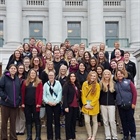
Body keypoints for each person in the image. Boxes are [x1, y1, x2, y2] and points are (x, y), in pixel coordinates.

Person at [0, 64, 21, 140]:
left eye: (14, 68)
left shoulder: (17, 79)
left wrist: (19, 99)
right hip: (5, 104)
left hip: (14, 105)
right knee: (4, 123)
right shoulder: (4, 78)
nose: (13, 70)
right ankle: (4, 137)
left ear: (16, 70)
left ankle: (13, 137)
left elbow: (19, 92)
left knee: (13, 123)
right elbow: (0, 89)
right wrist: (5, 98)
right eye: (11, 68)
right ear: (9, 69)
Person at [114, 70, 137, 140]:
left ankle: (133, 135)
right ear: (116, 75)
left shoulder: (129, 82)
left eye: (121, 74)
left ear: (124, 74)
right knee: (123, 121)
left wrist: (133, 103)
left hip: (129, 104)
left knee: (130, 121)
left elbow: (134, 93)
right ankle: (126, 135)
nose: (120, 75)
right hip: (120, 105)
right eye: (118, 74)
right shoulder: (115, 84)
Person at [21, 69, 43, 140]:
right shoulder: (25, 82)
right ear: (29, 74)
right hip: (27, 104)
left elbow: (40, 93)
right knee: (28, 119)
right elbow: (22, 93)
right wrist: (22, 103)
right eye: (31, 73)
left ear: (36, 74)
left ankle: (38, 136)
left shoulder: (39, 82)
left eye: (34, 73)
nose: (33, 74)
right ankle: (29, 136)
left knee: (37, 119)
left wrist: (39, 103)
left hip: (35, 104)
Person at [43, 71, 62, 140]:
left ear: (54, 76)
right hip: (48, 105)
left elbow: (60, 93)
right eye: (49, 75)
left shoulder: (58, 83)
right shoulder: (45, 84)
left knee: (57, 121)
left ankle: (57, 136)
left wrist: (56, 102)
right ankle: (50, 137)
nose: (51, 77)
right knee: (49, 121)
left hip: (56, 104)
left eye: (52, 75)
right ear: (48, 76)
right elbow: (44, 95)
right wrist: (48, 102)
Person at [81, 71, 100, 140]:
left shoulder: (97, 85)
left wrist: (91, 104)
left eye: (94, 76)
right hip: (86, 105)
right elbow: (83, 95)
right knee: (87, 121)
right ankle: (89, 135)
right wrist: (85, 104)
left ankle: (93, 136)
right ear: (89, 76)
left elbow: (97, 96)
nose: (93, 77)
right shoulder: (84, 84)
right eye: (91, 76)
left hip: (94, 105)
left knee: (95, 121)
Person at [100, 70, 118, 140]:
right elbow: (100, 95)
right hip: (103, 104)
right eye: (105, 74)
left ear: (110, 75)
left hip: (111, 104)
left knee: (112, 120)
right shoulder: (101, 83)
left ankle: (114, 136)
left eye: (108, 74)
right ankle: (108, 136)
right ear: (103, 75)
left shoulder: (113, 83)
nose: (107, 76)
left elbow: (115, 94)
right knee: (105, 121)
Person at [63, 72, 81, 140]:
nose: (73, 78)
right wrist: (66, 106)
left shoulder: (77, 85)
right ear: (69, 77)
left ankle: (73, 136)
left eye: (74, 76)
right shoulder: (67, 85)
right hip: (69, 106)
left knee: (73, 122)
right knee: (68, 122)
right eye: (71, 76)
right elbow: (65, 97)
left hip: (76, 106)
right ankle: (68, 137)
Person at [16, 64, 26, 135]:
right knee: (16, 116)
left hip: (23, 98)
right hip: (15, 98)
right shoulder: (14, 77)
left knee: (22, 116)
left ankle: (21, 130)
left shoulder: (25, 78)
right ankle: (17, 129)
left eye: (22, 68)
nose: (21, 69)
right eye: (20, 68)